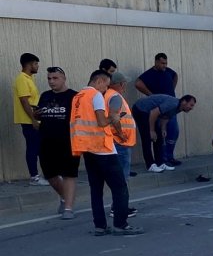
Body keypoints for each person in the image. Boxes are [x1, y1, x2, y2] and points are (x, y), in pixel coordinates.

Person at [70, 70, 143, 236]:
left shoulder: (77, 97)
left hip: (87, 149)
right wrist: (114, 117)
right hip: (103, 149)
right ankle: (121, 224)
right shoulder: (95, 96)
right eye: (105, 84)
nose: (105, 88)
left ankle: (100, 226)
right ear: (100, 81)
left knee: (96, 190)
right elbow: (102, 121)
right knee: (120, 188)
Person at [35, 66, 79, 219]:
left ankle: (68, 208)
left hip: (68, 142)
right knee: (50, 175)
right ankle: (65, 197)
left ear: (63, 78)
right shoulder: (45, 96)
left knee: (69, 174)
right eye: (49, 78)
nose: (51, 81)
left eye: (55, 78)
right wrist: (36, 114)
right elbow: (39, 116)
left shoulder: (74, 96)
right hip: (46, 141)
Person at [135, 53, 181, 167]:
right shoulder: (150, 74)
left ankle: (169, 156)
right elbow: (138, 83)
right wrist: (151, 95)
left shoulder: (168, 71)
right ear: (156, 62)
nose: (164, 65)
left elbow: (175, 76)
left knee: (173, 131)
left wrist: (172, 89)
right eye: (162, 63)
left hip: (170, 106)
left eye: (166, 63)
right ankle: (162, 159)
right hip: (157, 108)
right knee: (159, 135)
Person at [132, 94, 197, 173]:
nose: (191, 108)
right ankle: (150, 165)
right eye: (191, 105)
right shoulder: (173, 104)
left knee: (159, 137)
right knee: (147, 137)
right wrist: (152, 131)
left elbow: (166, 117)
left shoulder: (178, 108)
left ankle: (160, 163)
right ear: (184, 102)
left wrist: (163, 129)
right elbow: (154, 113)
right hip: (141, 109)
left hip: (150, 113)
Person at [105, 72, 138, 219]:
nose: (126, 86)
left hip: (119, 142)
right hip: (120, 143)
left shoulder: (109, 95)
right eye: (125, 83)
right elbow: (113, 116)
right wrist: (120, 133)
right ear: (121, 84)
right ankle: (119, 208)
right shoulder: (115, 96)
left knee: (120, 177)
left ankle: (118, 206)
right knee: (122, 178)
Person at [13, 53, 49, 186]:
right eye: (35, 64)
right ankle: (34, 177)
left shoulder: (29, 78)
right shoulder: (22, 79)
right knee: (33, 148)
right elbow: (24, 100)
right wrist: (33, 120)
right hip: (29, 121)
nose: (37, 66)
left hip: (34, 119)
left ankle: (44, 175)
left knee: (39, 147)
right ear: (29, 64)